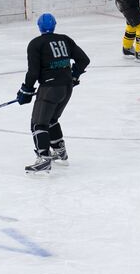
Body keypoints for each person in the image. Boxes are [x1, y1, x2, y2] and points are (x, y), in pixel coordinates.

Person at [17, 13, 90, 173]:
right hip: (66, 88)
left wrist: (26, 90)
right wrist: (74, 76)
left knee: (38, 123)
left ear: (39, 27)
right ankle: (60, 152)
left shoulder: (36, 44)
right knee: (51, 120)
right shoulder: (65, 39)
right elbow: (84, 60)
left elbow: (33, 72)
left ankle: (43, 159)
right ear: (55, 25)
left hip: (50, 89)